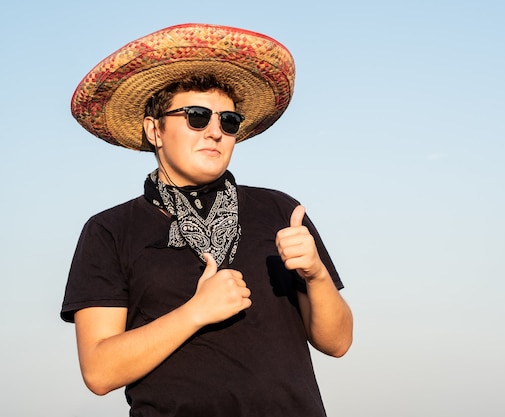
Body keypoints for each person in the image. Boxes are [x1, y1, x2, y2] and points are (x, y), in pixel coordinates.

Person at [60, 23, 353, 417]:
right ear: (155, 129)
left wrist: (316, 275)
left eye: (228, 121)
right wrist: (196, 311)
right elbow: (99, 370)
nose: (215, 131)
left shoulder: (280, 211)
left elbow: (338, 342)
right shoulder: (110, 230)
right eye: (197, 117)